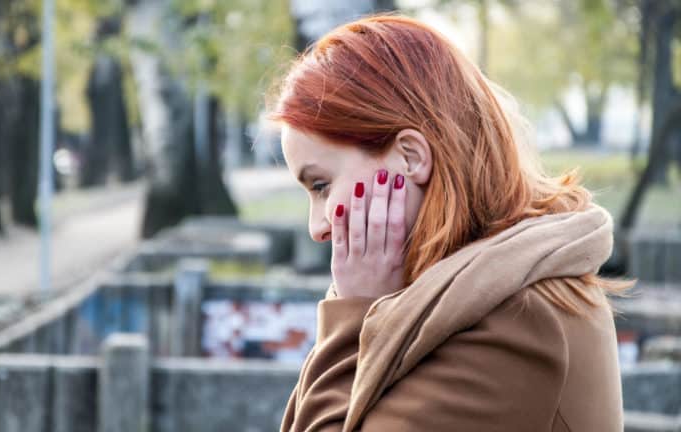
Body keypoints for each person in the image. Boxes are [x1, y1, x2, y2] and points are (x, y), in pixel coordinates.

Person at [265, 13, 635, 432]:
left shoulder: (515, 320)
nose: (317, 227)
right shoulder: (468, 295)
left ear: (410, 157)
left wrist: (351, 320)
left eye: (321, 185)